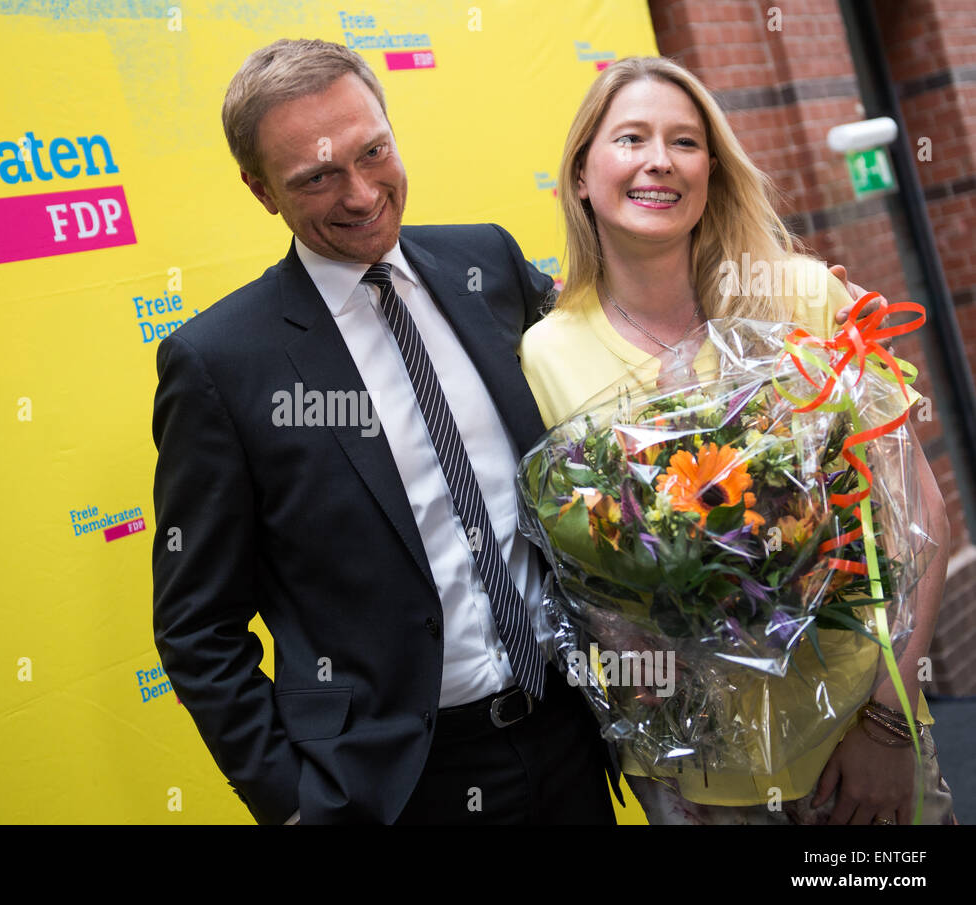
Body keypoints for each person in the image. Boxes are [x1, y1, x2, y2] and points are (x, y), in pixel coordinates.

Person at [150, 38, 621, 824]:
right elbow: (197, 626)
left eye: (374, 152)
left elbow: (614, 359)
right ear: (261, 190)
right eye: (317, 177)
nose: (363, 194)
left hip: (570, 734)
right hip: (398, 789)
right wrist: (295, 803)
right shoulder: (219, 363)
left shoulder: (488, 262)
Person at [520, 56, 955, 825]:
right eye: (631, 138)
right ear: (580, 176)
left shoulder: (801, 294)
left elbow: (914, 511)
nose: (660, 159)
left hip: (858, 743)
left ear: (711, 173)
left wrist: (890, 722)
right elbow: (601, 583)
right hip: (701, 779)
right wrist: (661, 737)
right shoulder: (549, 350)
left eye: (685, 142)